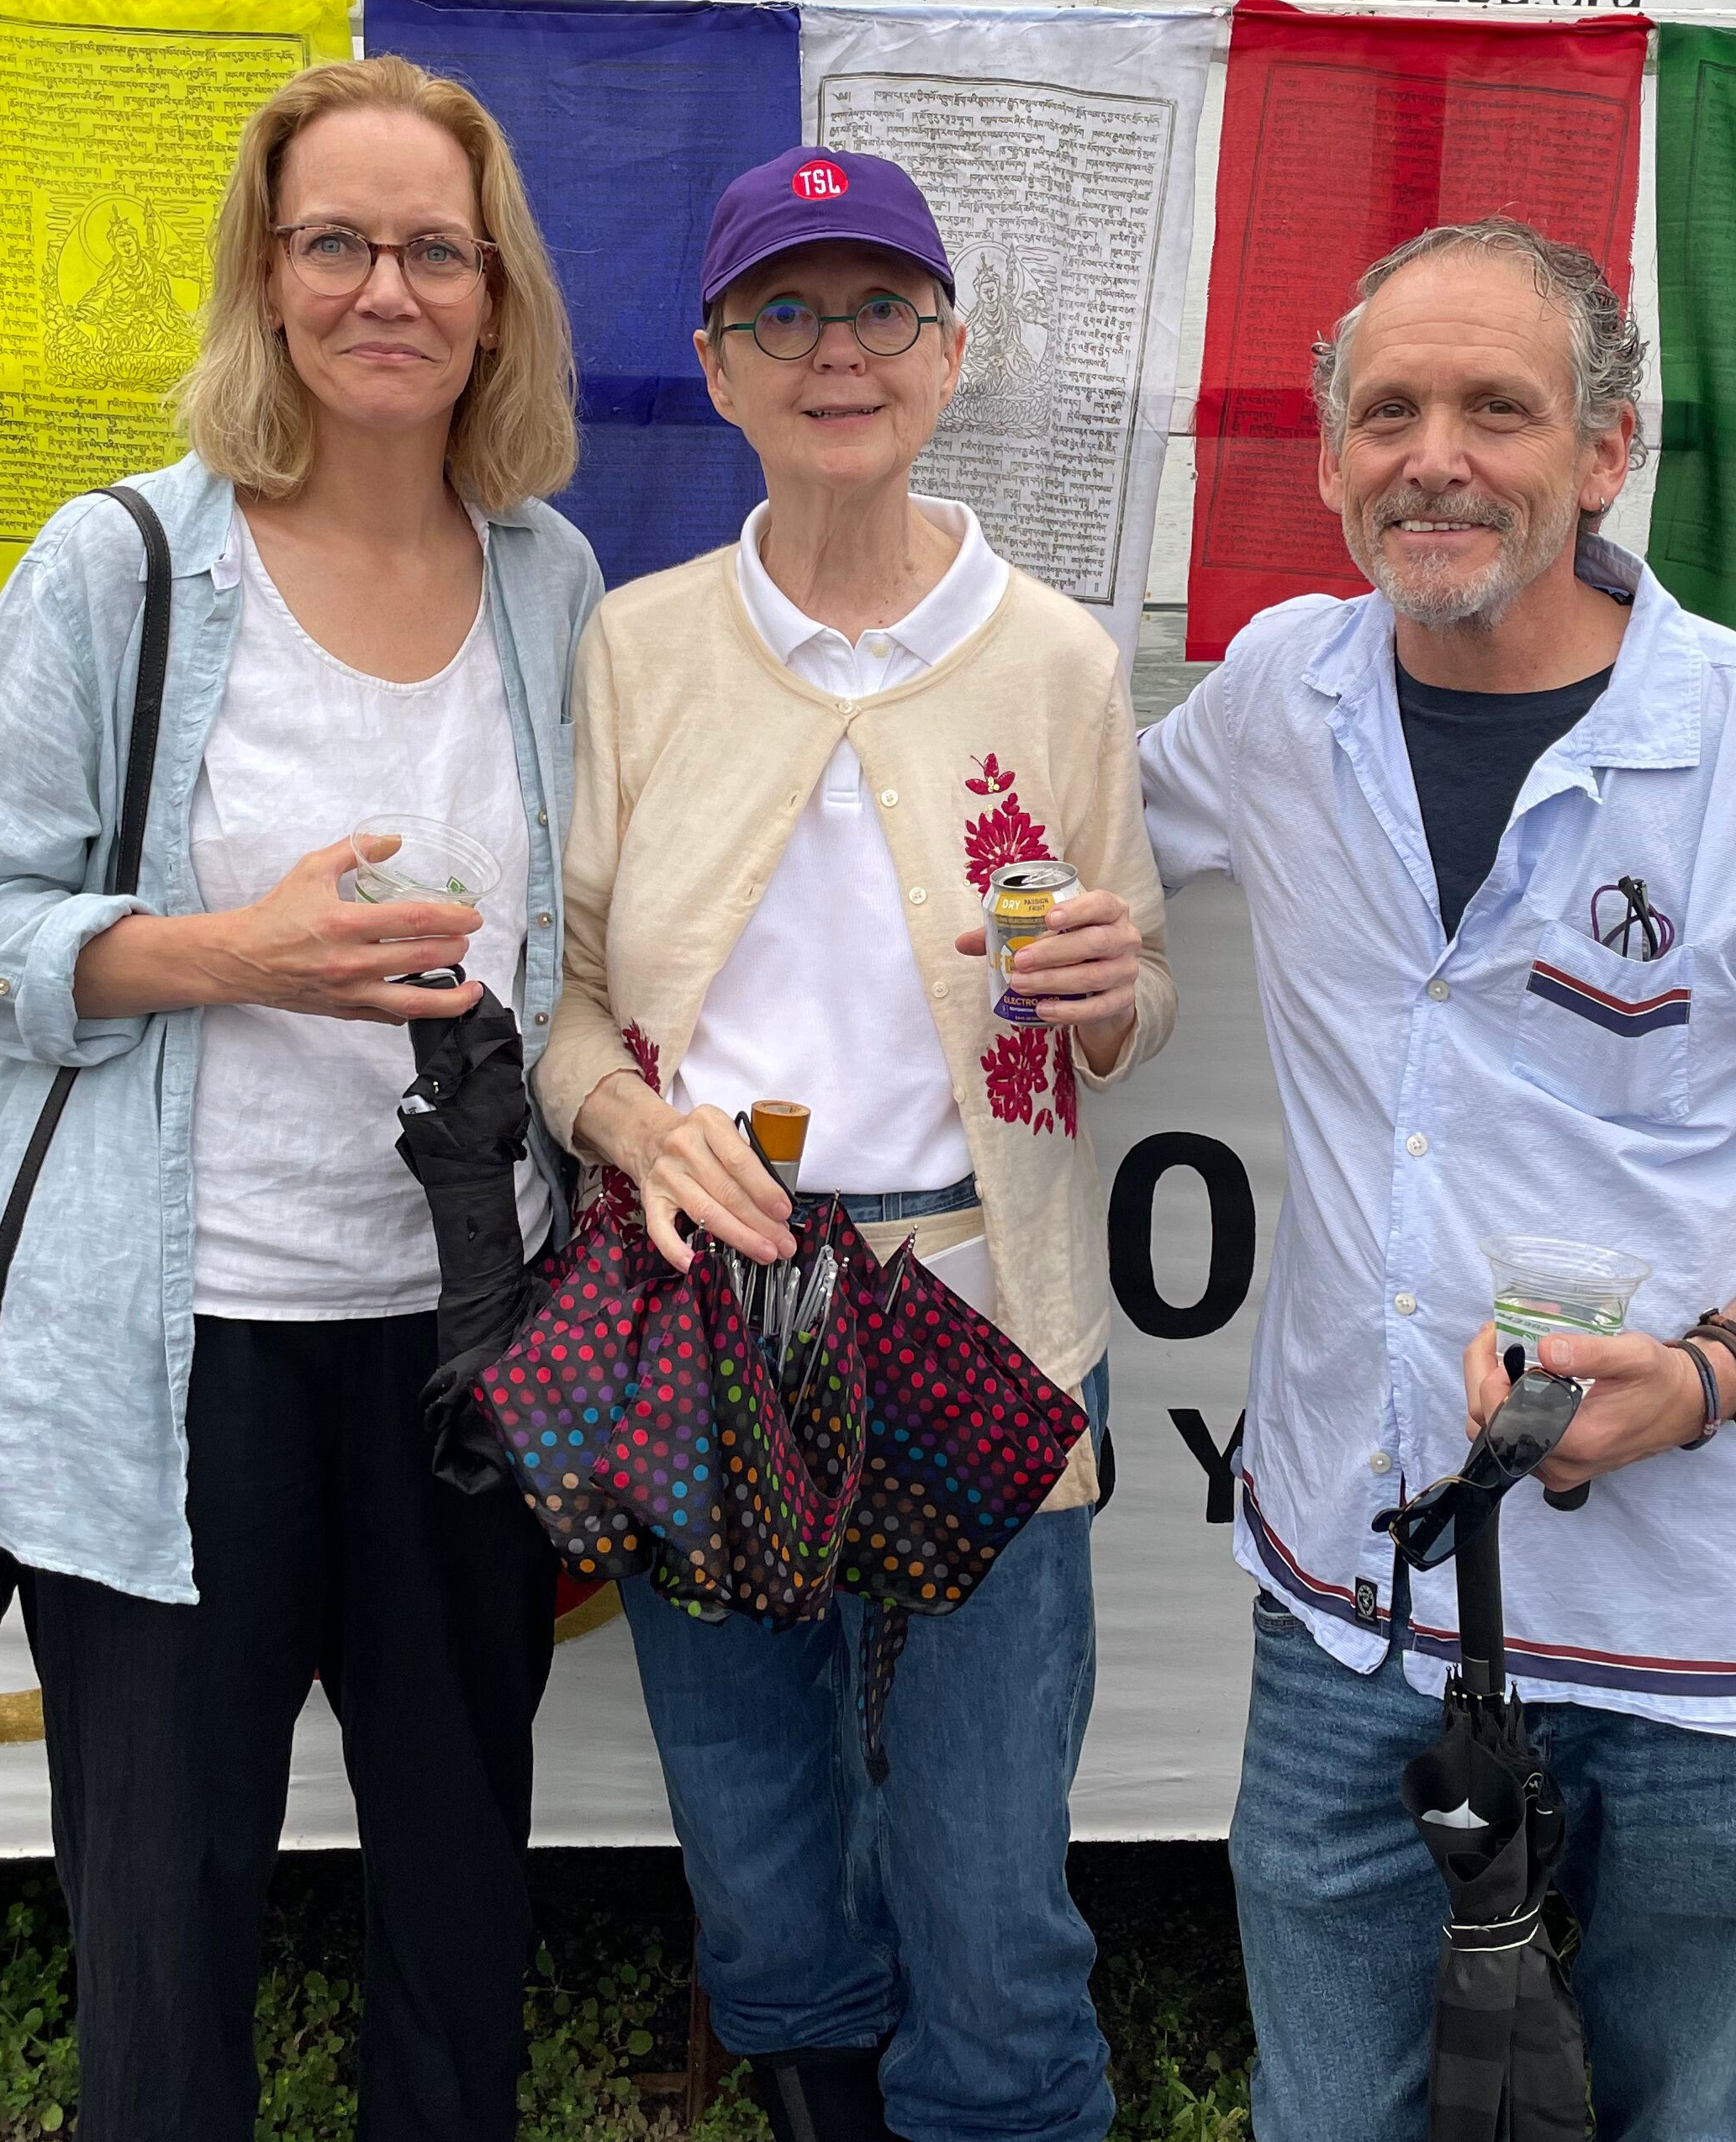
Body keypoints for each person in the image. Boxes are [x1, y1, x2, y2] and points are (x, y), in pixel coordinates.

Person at [1137, 219, 1736, 2142]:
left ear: (1606, 452)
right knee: (1332, 2118)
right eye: (1388, 412)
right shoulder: (1278, 702)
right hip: (1358, 1605)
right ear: (1328, 461)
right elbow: (1071, 835)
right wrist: (1090, 952)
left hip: (1703, 1641)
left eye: (1498, 409)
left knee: (1687, 2120)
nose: (1435, 456)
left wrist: (1710, 1371)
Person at [0, 55, 602, 2142]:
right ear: (267, 277)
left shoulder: (549, 580)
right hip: (174, 1353)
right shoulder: (124, 566)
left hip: (467, 1353)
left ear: (497, 293)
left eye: (435, 250)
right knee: (169, 1901)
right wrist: (234, 956)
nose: (391, 289)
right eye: (338, 243)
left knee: (461, 1886)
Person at [532, 145, 1175, 2142]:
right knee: (754, 1821)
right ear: (715, 370)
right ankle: (815, 2082)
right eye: (784, 316)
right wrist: (628, 1117)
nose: (838, 353)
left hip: (979, 1306)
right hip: (705, 1310)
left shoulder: (1057, 658)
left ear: (951, 353)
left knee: (989, 1858)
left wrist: (1108, 994)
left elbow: (1132, 998)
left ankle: (995, 2104)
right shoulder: (636, 648)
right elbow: (555, 1000)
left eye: (881, 308)